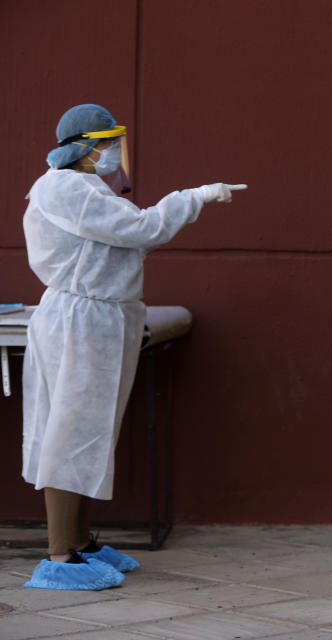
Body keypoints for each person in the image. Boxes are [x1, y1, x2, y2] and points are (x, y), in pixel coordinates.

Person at [20, 103, 246, 590]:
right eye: (105, 142)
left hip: (99, 317)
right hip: (80, 319)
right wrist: (194, 197)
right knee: (69, 433)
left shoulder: (82, 189)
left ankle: (80, 544)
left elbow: (126, 239)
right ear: (83, 147)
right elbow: (144, 229)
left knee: (90, 432)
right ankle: (60, 557)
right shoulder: (65, 189)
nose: (112, 152)